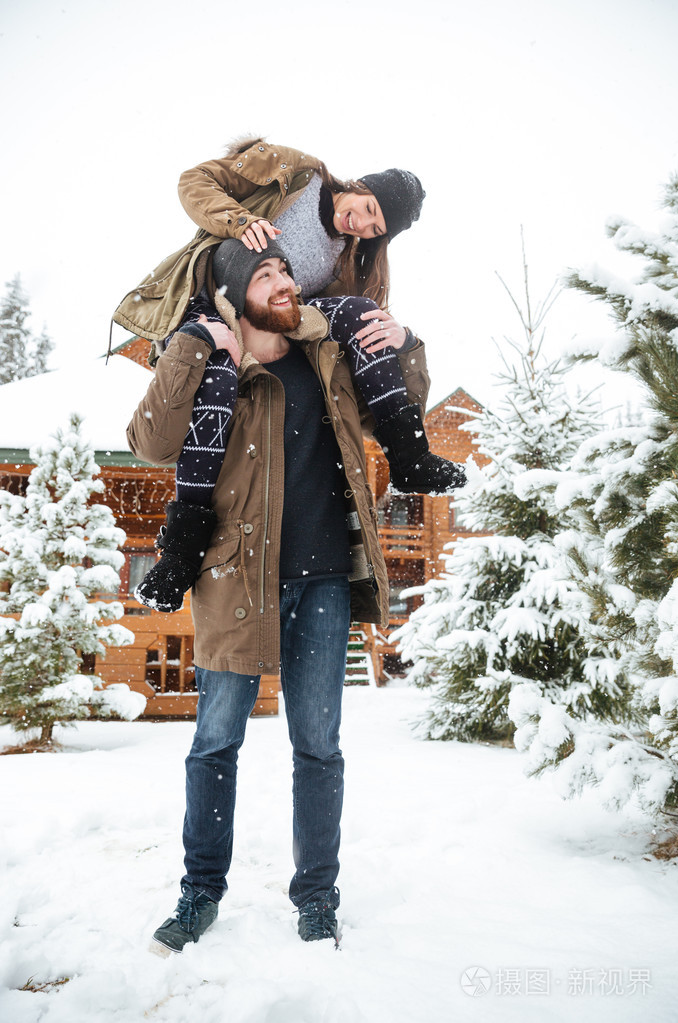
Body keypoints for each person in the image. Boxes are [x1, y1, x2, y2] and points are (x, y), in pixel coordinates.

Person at [126, 239, 449, 953]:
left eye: (283, 272)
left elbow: (398, 415)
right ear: (235, 294)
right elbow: (150, 441)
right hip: (234, 581)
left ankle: (317, 898)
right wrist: (189, 343)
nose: (282, 282)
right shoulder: (216, 366)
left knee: (319, 746)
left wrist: (406, 343)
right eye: (265, 274)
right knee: (215, 744)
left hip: (327, 580)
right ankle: (198, 894)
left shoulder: (327, 358)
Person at [121, 137, 474, 612]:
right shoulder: (294, 173)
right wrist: (240, 221)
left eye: (376, 228)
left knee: (360, 312)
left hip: (276, 325)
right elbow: (194, 181)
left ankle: (409, 455)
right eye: (368, 208)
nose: (363, 225)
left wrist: (400, 340)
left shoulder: (348, 259)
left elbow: (339, 337)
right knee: (219, 379)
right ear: (360, 185)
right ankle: (180, 555)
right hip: (212, 301)